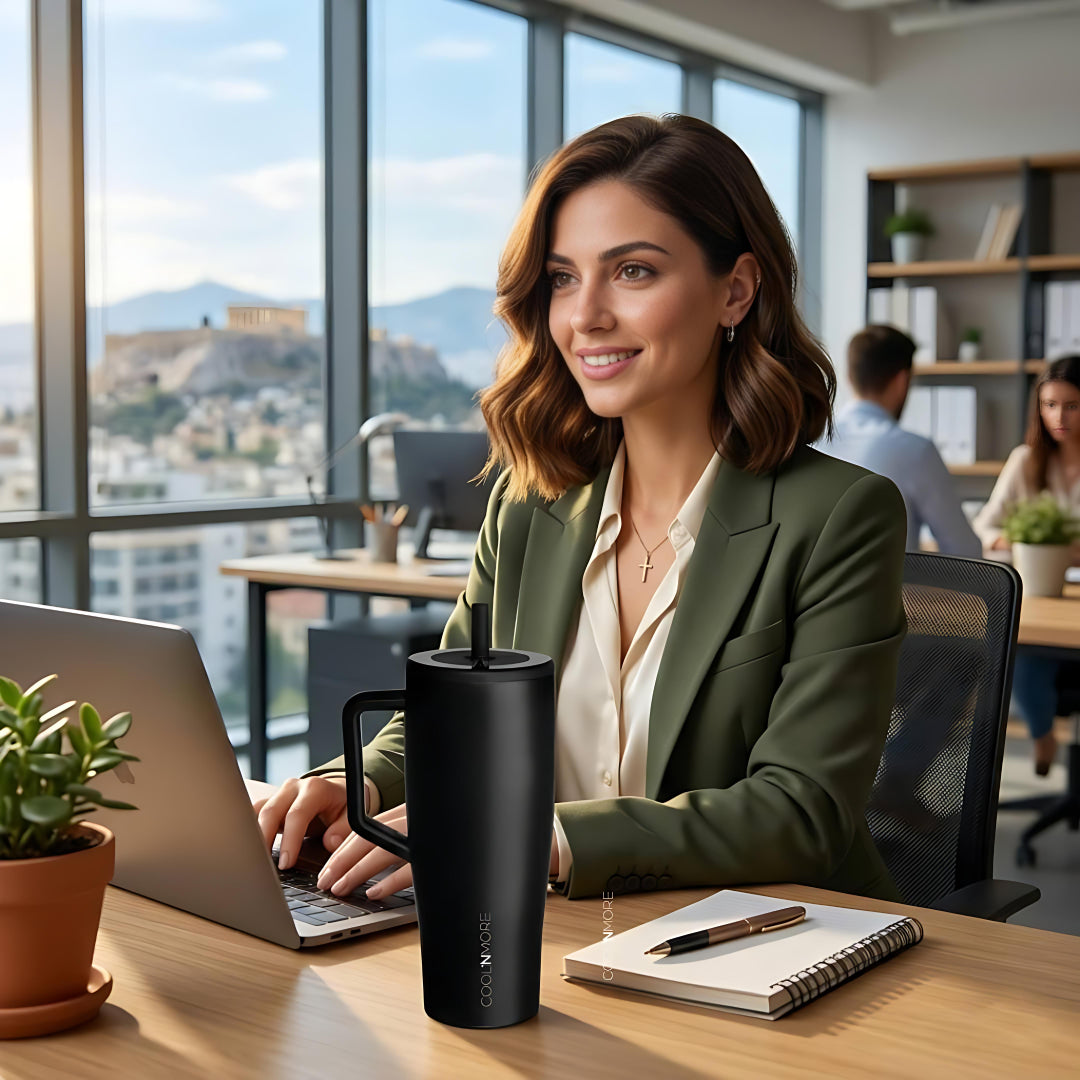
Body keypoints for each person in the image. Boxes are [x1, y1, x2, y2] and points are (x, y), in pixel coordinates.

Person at [253, 114, 907, 903]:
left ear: (735, 290)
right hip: (552, 930)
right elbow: (447, 716)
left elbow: (802, 811)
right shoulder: (529, 504)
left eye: (632, 271)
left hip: (765, 935)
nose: (585, 315)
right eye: (562, 278)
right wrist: (349, 782)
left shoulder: (839, 516)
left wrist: (539, 839)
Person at [973, 354, 1080, 775]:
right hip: (1041, 596)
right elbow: (986, 527)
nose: (1059, 417)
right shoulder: (1025, 459)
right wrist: (1029, 544)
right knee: (1022, 653)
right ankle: (1042, 735)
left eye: (1071, 405)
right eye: (1050, 405)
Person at [822, 325, 981, 558]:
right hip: (889, 583)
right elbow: (965, 552)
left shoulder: (813, 439)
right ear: (902, 381)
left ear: (848, 378)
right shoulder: (916, 451)